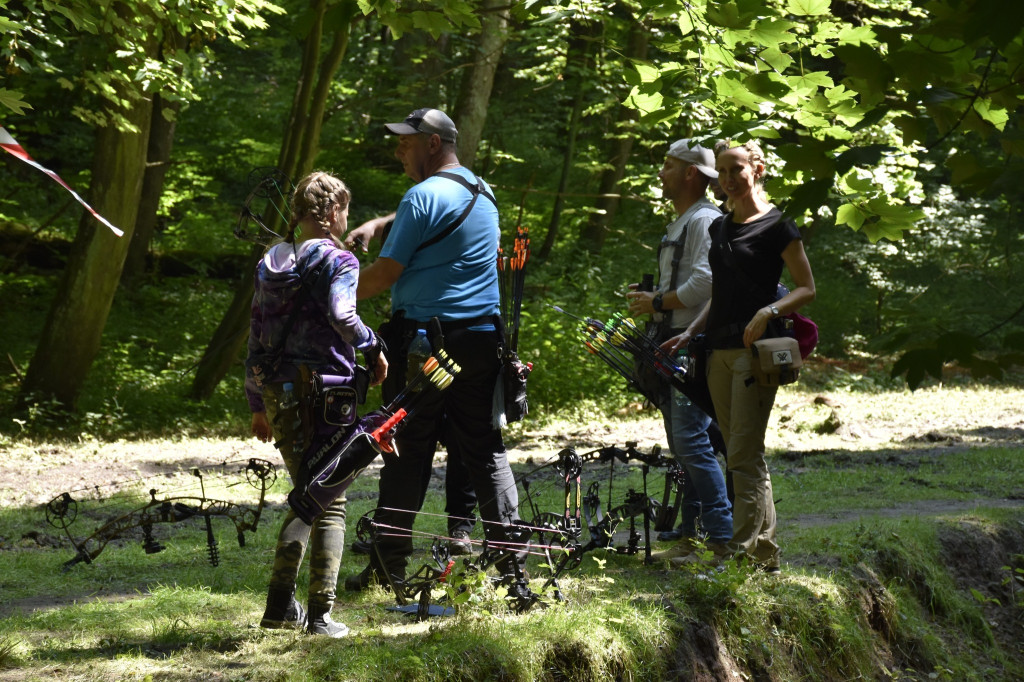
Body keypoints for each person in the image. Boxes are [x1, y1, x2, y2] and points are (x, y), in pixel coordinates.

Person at [342, 108, 523, 590]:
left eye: (407, 141)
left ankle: (388, 567)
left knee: (405, 448)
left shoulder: (421, 196)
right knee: (486, 450)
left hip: (426, 345)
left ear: (433, 144)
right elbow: (429, 213)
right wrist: (381, 222)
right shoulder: (481, 191)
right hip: (483, 340)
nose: (399, 149)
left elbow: (381, 277)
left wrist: (330, 291)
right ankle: (513, 566)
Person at [245, 171, 388, 637]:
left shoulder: (271, 261)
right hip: (328, 396)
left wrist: (256, 403)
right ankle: (318, 614)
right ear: (330, 213)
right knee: (327, 500)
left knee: (310, 494)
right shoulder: (338, 259)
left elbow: (255, 336)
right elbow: (344, 316)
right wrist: (373, 345)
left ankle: (280, 611)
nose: (347, 219)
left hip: (279, 396)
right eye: (345, 209)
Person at [662, 140, 815, 572]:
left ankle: (742, 554)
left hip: (755, 354)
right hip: (717, 353)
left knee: (744, 455)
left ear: (757, 168)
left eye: (736, 169)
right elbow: (720, 292)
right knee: (738, 453)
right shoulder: (720, 227)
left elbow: (807, 288)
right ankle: (763, 553)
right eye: (722, 172)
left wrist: (769, 311)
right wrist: (692, 331)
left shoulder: (779, 226)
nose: (728, 179)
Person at [625, 139, 732, 562]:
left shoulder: (703, 219)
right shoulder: (684, 221)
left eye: (668, 165)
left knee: (690, 443)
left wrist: (657, 303)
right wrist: (655, 296)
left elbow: (705, 283)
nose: (660, 172)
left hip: (689, 345)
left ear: (691, 173)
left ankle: (720, 536)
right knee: (693, 442)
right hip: (673, 343)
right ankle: (693, 536)